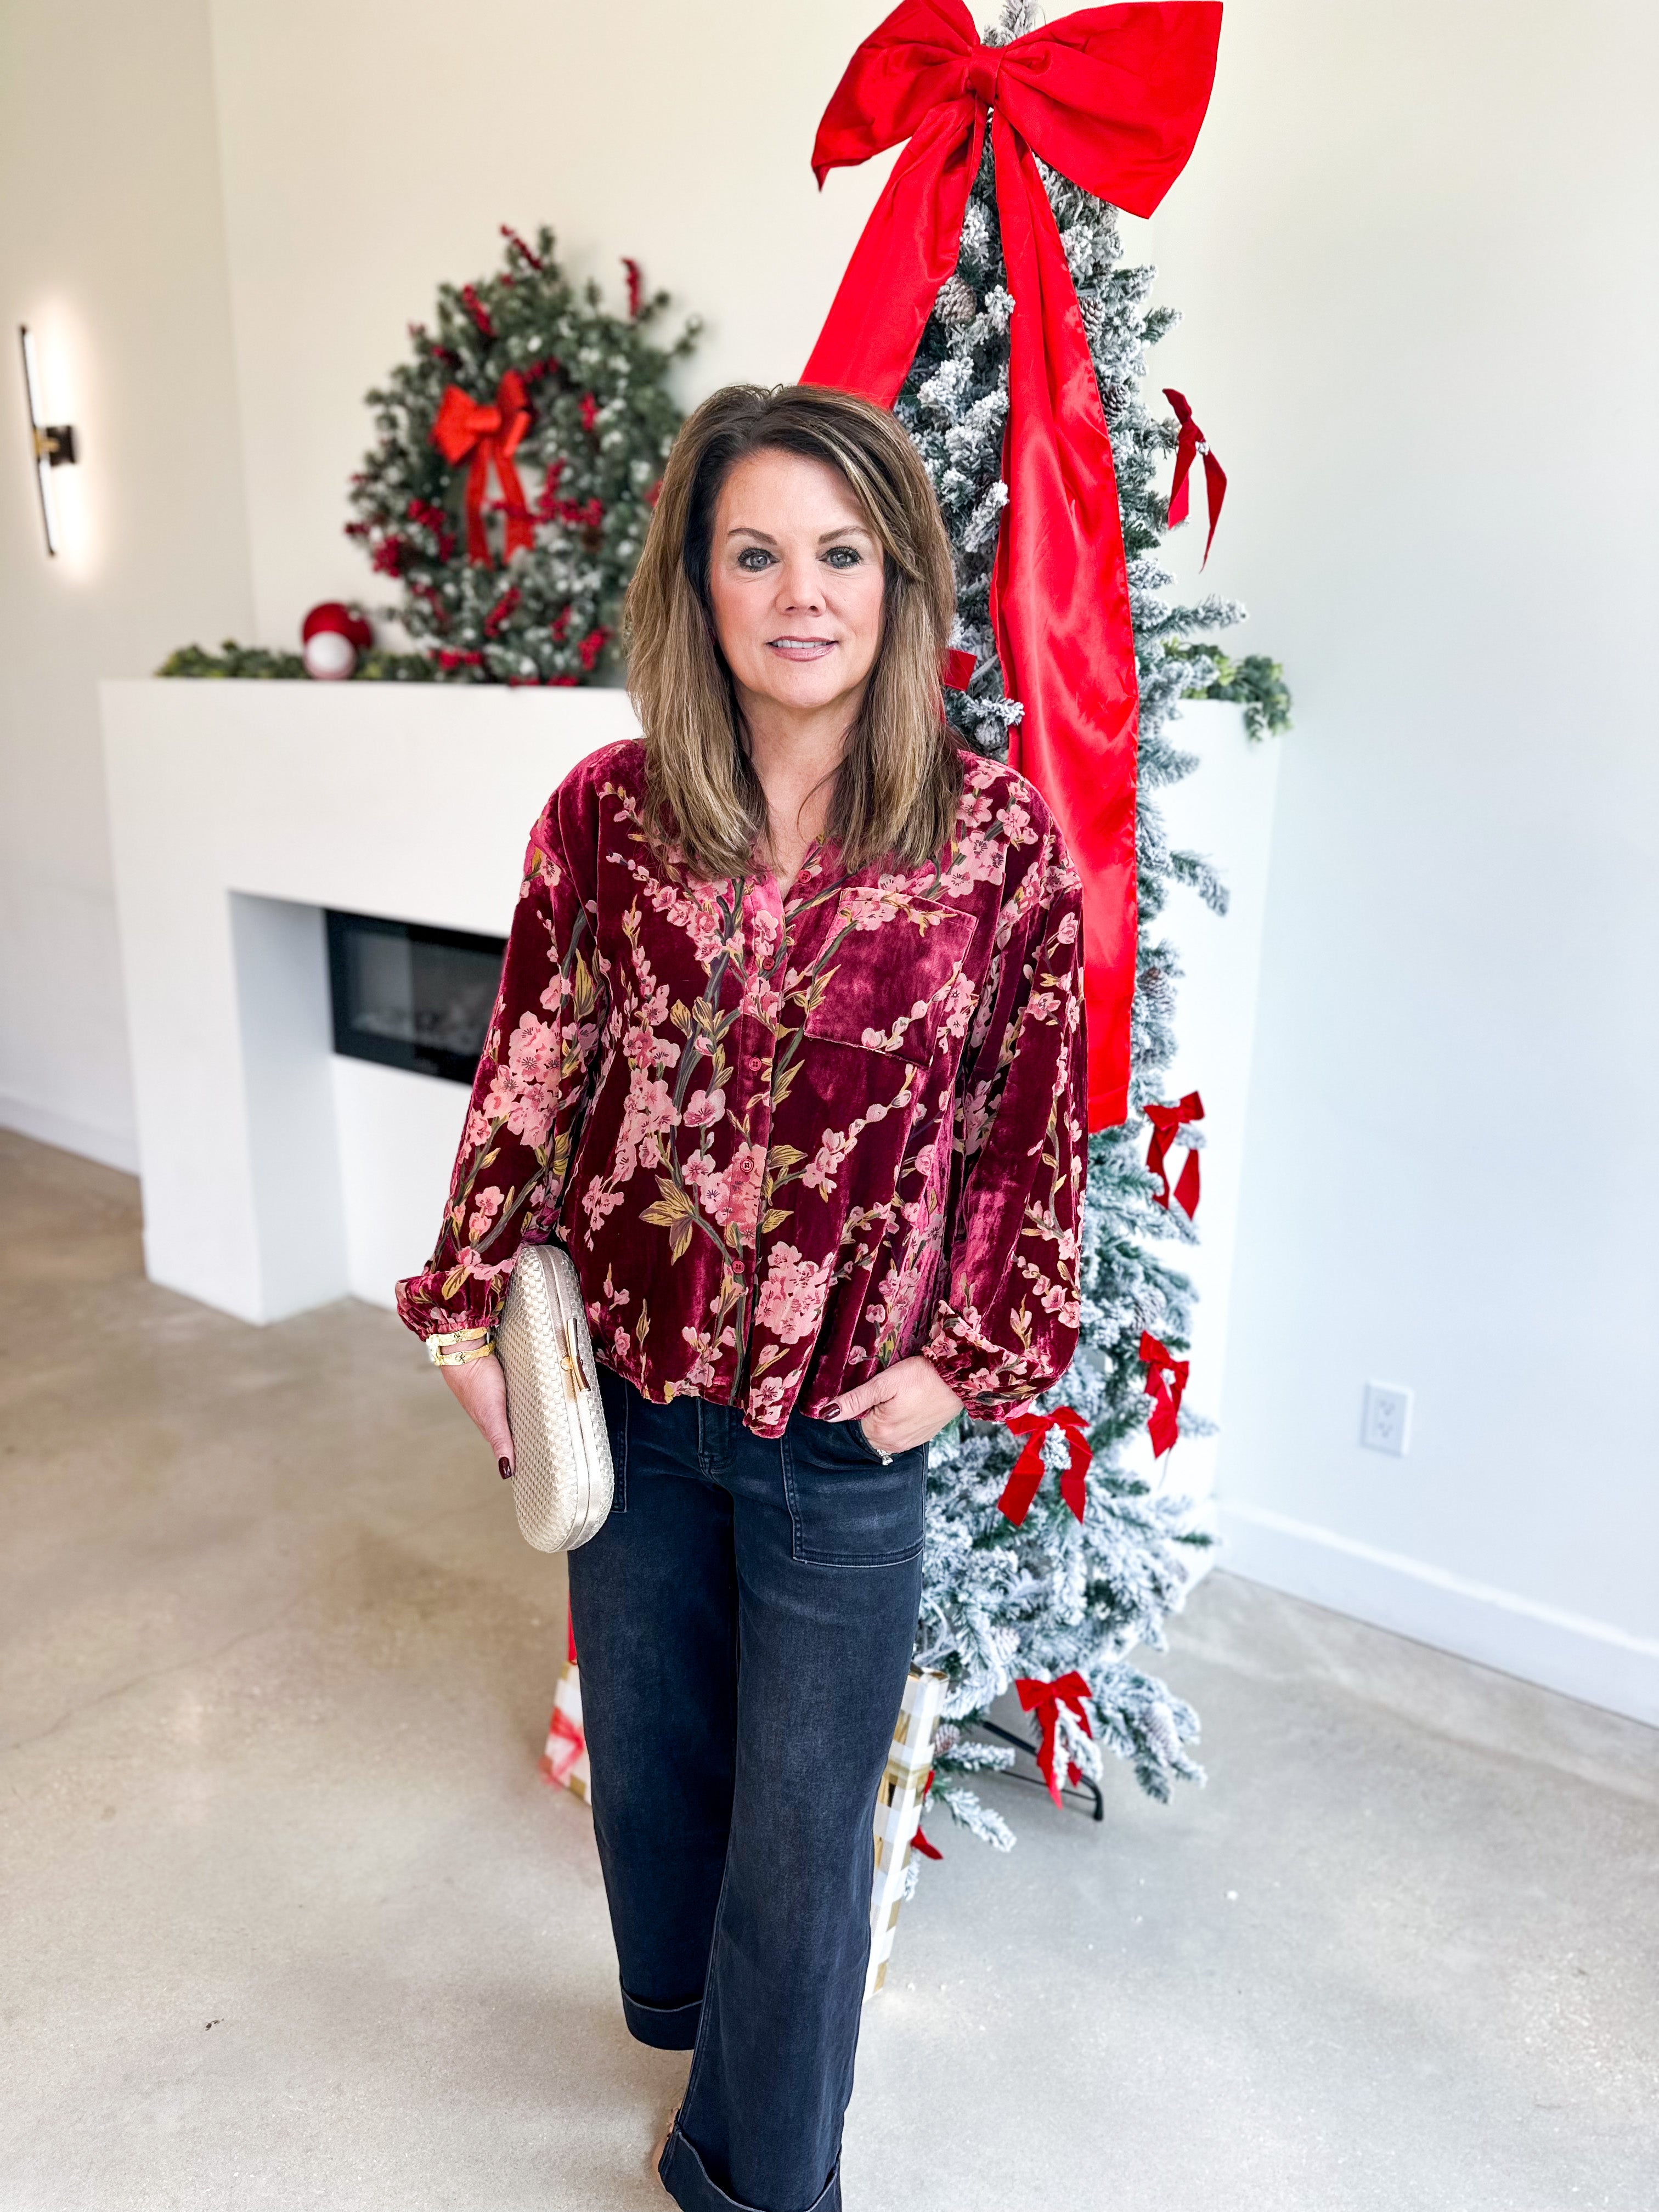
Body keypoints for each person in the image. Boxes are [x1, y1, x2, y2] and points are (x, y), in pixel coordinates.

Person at [397, 383, 1087, 2212]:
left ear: (901, 581)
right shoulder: (611, 817)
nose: (803, 594)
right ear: (696, 587)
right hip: (631, 1408)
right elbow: (533, 1069)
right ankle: (699, 2031)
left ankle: (758, 2177)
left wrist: (969, 1362)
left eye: (842, 554)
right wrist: (468, 1310)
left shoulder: (996, 840)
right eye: (756, 553)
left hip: (846, 1442)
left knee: (800, 1844)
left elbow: (1030, 1129)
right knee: (660, 1793)